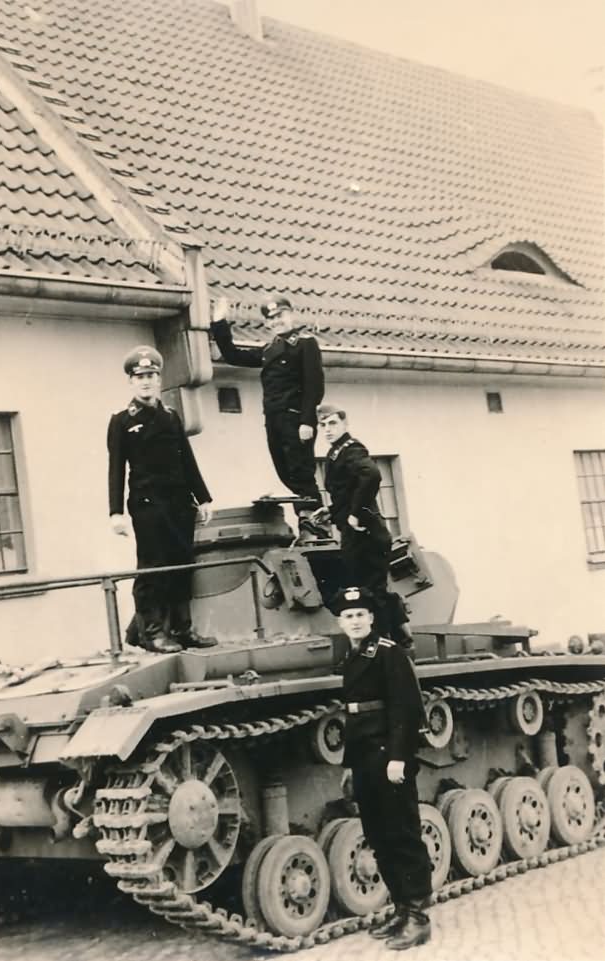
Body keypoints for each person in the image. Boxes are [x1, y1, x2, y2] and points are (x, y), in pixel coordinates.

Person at [333, 585, 432, 951]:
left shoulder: (388, 653)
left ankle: (419, 918)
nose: (355, 621)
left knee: (402, 833)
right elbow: (354, 717)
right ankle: (401, 908)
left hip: (388, 757)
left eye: (360, 614)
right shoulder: (354, 656)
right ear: (341, 622)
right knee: (379, 836)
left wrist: (398, 757)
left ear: (371, 618)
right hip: (364, 759)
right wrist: (348, 765)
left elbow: (406, 708)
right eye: (348, 616)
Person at [107, 345, 217, 653]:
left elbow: (187, 460)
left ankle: (182, 629)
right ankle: (152, 632)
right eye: (139, 376)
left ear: (159, 379)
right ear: (131, 381)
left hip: (180, 504)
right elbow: (116, 469)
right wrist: (115, 513)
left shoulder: (171, 417)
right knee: (153, 568)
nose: (146, 381)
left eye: (151, 376)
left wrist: (204, 497)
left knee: (183, 564)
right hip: (148, 506)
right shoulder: (122, 421)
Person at [210, 295, 328, 541]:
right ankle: (310, 519)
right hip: (274, 420)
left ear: (290, 314)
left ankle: (315, 527)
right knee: (284, 471)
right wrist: (219, 322)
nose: (276, 322)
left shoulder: (305, 344)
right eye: (271, 319)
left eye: (280, 316)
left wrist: (307, 421)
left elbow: (314, 386)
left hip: (296, 419)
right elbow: (233, 356)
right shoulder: (269, 349)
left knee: (300, 471)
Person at [318, 402, 411, 644]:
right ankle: (399, 638)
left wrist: (356, 513)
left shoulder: (351, 449)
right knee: (370, 589)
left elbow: (371, 475)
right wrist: (331, 511)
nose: (327, 429)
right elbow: (347, 491)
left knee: (370, 592)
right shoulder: (337, 451)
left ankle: (387, 645)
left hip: (365, 532)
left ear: (345, 425)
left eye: (333, 423)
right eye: (323, 425)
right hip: (358, 531)